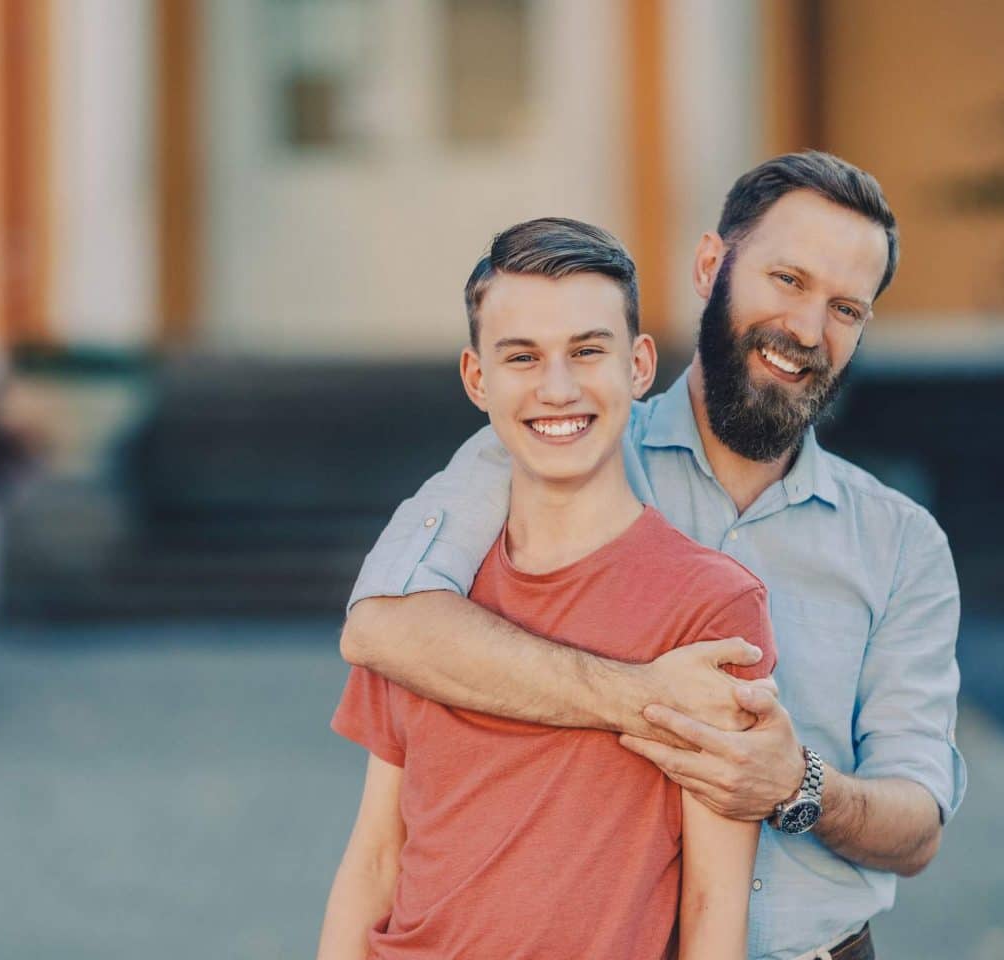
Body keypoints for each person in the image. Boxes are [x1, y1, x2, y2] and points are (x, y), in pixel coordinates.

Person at [339, 152, 965, 960]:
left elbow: (915, 826)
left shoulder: (900, 542)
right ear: (711, 265)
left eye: (844, 307)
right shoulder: (563, 439)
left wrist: (795, 783)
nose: (807, 330)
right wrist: (643, 699)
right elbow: (384, 627)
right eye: (786, 280)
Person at [317, 218, 777, 960]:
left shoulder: (710, 604)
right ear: (477, 379)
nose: (556, 389)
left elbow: (712, 899)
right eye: (521, 357)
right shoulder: (424, 599)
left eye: (587, 352)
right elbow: (374, 856)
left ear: (637, 365)